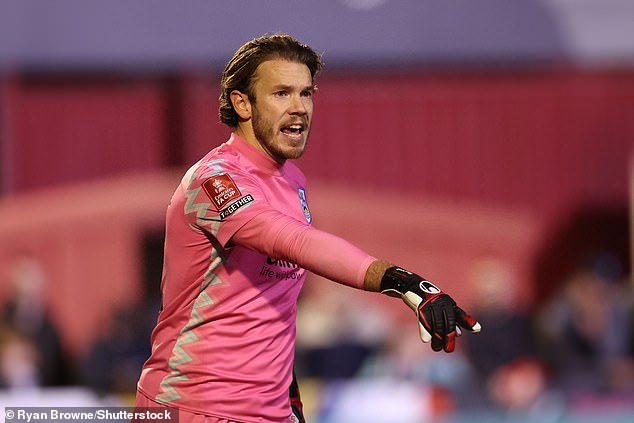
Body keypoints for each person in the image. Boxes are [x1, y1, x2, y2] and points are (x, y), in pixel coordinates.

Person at [135, 33, 481, 423]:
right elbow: (293, 241)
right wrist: (407, 283)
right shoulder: (214, 181)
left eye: (306, 93)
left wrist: (288, 392)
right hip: (193, 407)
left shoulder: (292, 182)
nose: (299, 108)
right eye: (282, 94)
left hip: (271, 411)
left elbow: (269, 306)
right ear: (242, 103)